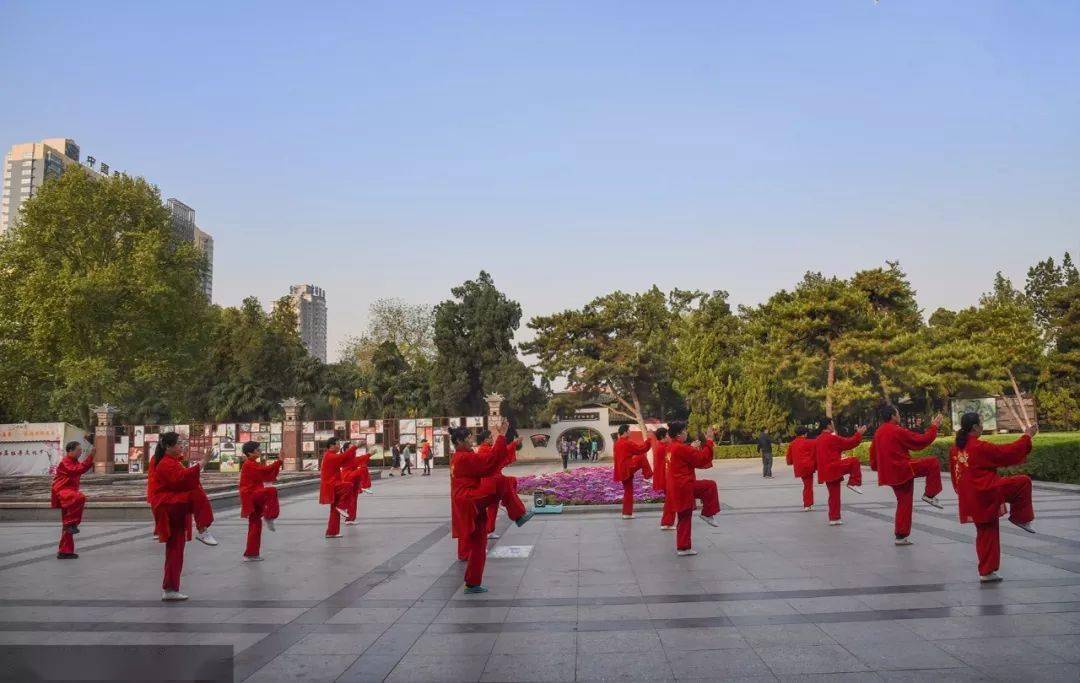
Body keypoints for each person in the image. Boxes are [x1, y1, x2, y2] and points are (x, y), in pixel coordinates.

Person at [949, 413, 1037, 582]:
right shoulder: (979, 447)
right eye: (981, 423)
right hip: (988, 492)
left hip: (971, 496)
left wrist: (964, 495)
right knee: (1023, 482)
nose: (983, 425)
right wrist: (1027, 436)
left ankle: (986, 571)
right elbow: (1006, 453)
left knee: (985, 532)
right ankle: (1020, 517)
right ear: (975, 427)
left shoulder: (955, 449)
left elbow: (955, 476)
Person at [450, 421, 534, 593]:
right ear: (458, 442)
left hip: (470, 500)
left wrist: (504, 440)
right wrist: (501, 436)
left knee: (479, 543)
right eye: (467, 439)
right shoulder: (463, 457)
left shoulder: (463, 456)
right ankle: (518, 515)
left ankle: (472, 583)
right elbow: (489, 462)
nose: (470, 442)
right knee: (504, 482)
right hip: (469, 499)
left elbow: (491, 461)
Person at [150, 432, 213, 601]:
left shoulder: (171, 462)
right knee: (195, 492)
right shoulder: (165, 464)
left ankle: (170, 588)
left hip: (172, 504)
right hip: (168, 505)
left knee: (175, 549)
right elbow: (180, 480)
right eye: (179, 443)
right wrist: (202, 463)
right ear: (168, 446)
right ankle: (202, 527)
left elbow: (183, 479)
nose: (182, 446)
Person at [870, 406, 945, 546]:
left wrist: (879, 468)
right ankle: (930, 494)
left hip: (890, 473)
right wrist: (934, 427)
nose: (899, 416)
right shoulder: (897, 430)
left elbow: (873, 456)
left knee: (904, 502)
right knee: (932, 462)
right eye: (898, 413)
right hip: (902, 469)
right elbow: (920, 441)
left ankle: (901, 535)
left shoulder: (878, 432)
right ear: (893, 416)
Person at [666, 422, 719, 555]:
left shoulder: (672, 447)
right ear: (679, 434)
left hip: (676, 485)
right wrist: (709, 440)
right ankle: (707, 513)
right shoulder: (681, 448)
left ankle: (683, 547)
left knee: (684, 516)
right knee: (710, 485)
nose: (686, 433)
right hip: (685, 485)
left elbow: (687, 458)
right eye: (684, 431)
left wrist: (691, 447)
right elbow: (702, 458)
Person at [815, 417, 867, 526]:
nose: (834, 426)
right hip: (834, 467)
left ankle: (834, 518)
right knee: (854, 461)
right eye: (832, 424)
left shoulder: (819, 439)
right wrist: (859, 434)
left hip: (826, 470)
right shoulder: (831, 438)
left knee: (833, 495)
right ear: (829, 425)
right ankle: (854, 482)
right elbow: (849, 443)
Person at [51, 435, 96, 559]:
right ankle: (71, 524)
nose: (80, 452)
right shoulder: (65, 462)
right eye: (78, 450)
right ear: (70, 451)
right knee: (79, 498)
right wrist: (91, 456)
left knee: (67, 525)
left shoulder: (73, 461)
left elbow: (80, 467)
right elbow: (78, 470)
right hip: (62, 491)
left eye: (81, 450)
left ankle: (65, 551)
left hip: (68, 491)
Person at [239, 441, 282, 561]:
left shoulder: (252, 464)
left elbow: (266, 474)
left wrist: (278, 463)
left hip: (252, 494)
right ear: (250, 453)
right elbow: (265, 471)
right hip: (251, 494)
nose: (260, 452)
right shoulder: (249, 464)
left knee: (255, 525)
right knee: (271, 491)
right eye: (258, 450)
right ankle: (269, 516)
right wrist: (279, 461)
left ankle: (251, 554)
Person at [485, 433, 522, 539]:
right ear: (485, 439)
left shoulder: (487, 449)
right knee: (511, 483)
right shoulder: (485, 450)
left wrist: (514, 444)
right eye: (490, 437)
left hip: (494, 480)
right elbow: (499, 454)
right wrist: (513, 443)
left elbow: (500, 453)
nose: (492, 439)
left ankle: (489, 530)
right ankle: (517, 513)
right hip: (491, 482)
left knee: (493, 508)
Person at [613, 425, 653, 519]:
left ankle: (627, 513)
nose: (630, 432)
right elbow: (641, 449)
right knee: (642, 456)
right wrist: (648, 440)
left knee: (628, 491)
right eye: (629, 431)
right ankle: (648, 475)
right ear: (625, 432)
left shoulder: (617, 443)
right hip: (627, 469)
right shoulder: (627, 443)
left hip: (621, 470)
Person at [319, 437, 354, 538]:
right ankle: (342, 506)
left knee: (334, 510)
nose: (339, 446)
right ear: (331, 446)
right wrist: (354, 447)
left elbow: (344, 460)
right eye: (338, 444)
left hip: (333, 484)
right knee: (349, 485)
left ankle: (332, 532)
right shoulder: (329, 456)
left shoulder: (332, 455)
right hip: (332, 485)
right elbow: (343, 458)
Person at [651, 427, 675, 530]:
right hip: (666, 477)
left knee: (670, 501)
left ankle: (667, 522)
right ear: (663, 436)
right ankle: (667, 523)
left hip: (663, 477)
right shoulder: (663, 448)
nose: (669, 436)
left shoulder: (660, 446)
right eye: (667, 435)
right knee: (670, 501)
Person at [788, 427, 817, 511]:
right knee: (808, 486)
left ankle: (808, 504)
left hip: (799, 467)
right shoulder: (808, 442)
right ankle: (807, 504)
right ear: (805, 434)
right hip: (808, 467)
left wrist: (791, 462)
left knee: (807, 485)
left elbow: (789, 457)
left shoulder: (792, 443)